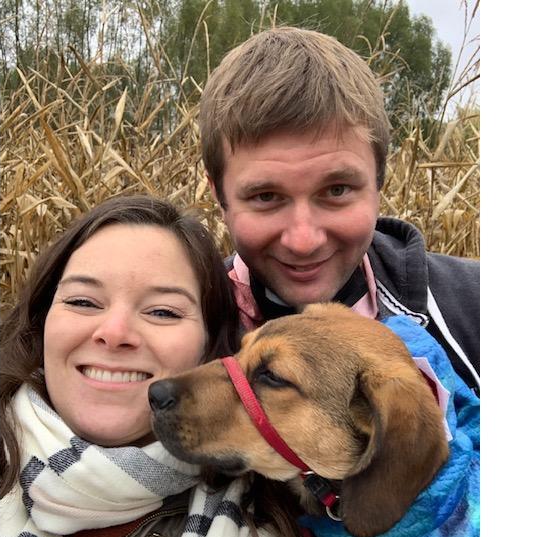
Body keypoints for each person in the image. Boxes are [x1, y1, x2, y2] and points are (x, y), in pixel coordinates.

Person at [0, 195, 369, 537]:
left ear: (212, 344)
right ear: (42, 321)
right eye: (82, 301)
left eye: (162, 311)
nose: (113, 333)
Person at [198, 27, 480, 397]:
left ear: (379, 180)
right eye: (266, 196)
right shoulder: (186, 323)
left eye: (336, 191)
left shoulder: (477, 309)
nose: (303, 241)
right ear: (220, 195)